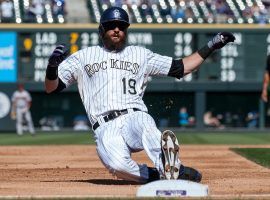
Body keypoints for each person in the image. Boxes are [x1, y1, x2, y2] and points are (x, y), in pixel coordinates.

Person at [44, 6, 235, 183]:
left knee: (145, 123)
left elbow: (181, 67)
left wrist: (211, 45)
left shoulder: (140, 54)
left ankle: (170, 165)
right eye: (111, 26)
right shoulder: (83, 56)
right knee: (118, 167)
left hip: (132, 116)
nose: (117, 29)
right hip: (104, 126)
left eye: (121, 26)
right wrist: (52, 67)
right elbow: (51, 87)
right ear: (102, 30)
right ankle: (164, 173)